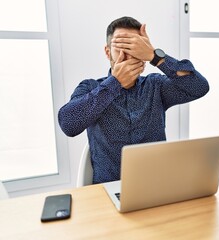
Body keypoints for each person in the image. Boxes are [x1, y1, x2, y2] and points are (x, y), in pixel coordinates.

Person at [58, 16, 209, 184]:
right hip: (108, 190)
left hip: (156, 186)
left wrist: (155, 56)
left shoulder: (156, 86)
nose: (128, 55)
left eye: (135, 48)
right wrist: (115, 83)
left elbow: (199, 86)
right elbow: (68, 124)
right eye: (122, 47)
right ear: (108, 52)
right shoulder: (90, 87)